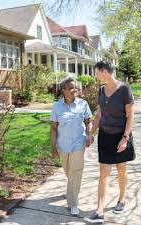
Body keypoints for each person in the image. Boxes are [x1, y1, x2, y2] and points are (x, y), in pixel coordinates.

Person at [84, 60, 136, 223]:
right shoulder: (101, 90)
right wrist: (91, 133)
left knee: (121, 170)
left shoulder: (124, 89)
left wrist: (125, 138)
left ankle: (122, 199)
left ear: (105, 72)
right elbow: (99, 114)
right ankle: (99, 210)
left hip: (121, 136)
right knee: (104, 173)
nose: (96, 77)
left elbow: (130, 116)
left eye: (97, 73)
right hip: (105, 136)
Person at [50, 77, 92, 216]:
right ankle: (71, 190)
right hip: (63, 146)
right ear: (63, 91)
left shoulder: (83, 104)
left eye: (75, 87)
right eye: (71, 88)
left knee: (76, 172)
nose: (75, 90)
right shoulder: (57, 106)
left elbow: (88, 121)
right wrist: (53, 147)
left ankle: (73, 203)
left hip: (78, 144)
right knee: (69, 172)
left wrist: (89, 134)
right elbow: (54, 128)